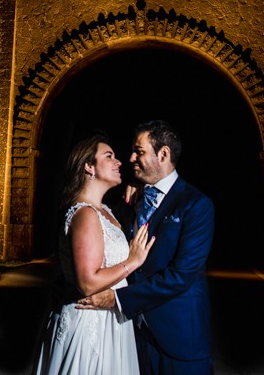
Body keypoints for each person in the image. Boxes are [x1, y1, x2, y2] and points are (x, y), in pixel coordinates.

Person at [77, 119, 215, 375]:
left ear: (163, 154)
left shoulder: (196, 205)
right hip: (132, 337)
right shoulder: (130, 201)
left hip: (180, 339)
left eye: (138, 151)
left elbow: (181, 275)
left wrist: (118, 299)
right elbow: (92, 240)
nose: (130, 158)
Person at [32, 134, 155, 375]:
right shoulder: (86, 214)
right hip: (90, 323)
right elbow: (87, 283)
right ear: (88, 166)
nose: (118, 162)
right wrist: (132, 262)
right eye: (109, 156)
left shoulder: (105, 210)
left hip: (111, 320)